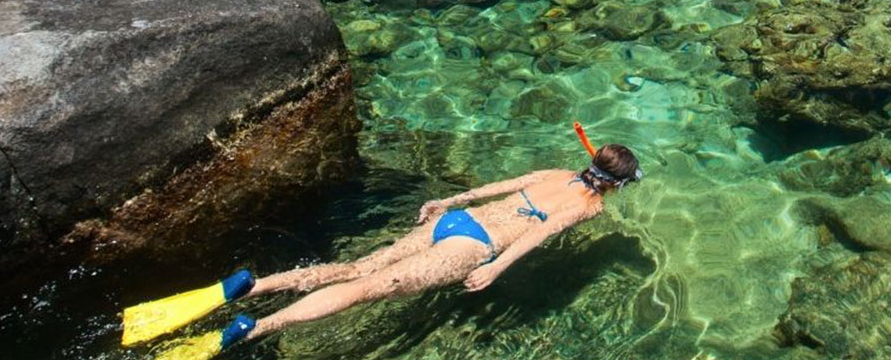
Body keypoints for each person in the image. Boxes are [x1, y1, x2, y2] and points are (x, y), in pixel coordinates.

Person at [220, 144, 643, 346]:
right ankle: (259, 328)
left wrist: (448, 200)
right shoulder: (590, 208)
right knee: (369, 288)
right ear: (617, 184)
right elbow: (540, 233)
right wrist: (495, 268)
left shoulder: (554, 172)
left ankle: (253, 285)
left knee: (359, 266)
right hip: (473, 245)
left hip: (457, 219)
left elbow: (500, 186)